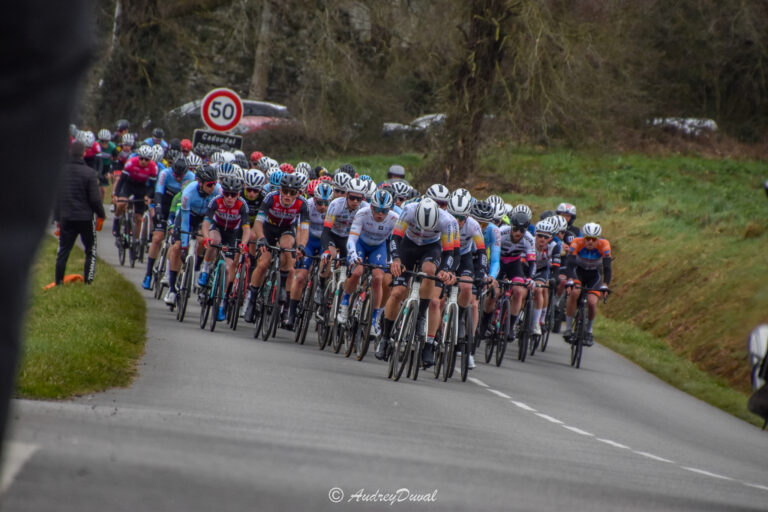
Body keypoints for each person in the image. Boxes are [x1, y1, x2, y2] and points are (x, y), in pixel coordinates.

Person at [53, 140, 106, 284]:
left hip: (67, 217)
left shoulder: (61, 171)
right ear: (83, 153)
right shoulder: (89, 173)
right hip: (85, 218)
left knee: (63, 251)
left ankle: (58, 282)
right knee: (90, 250)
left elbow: (57, 197)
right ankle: (88, 280)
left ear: (70, 152)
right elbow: (95, 199)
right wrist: (101, 214)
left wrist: (57, 218)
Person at [562, 222, 612, 346]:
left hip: (594, 274)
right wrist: (570, 280)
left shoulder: (604, 245)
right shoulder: (576, 242)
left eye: (593, 239)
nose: (590, 242)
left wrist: (605, 284)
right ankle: (568, 329)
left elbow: (607, 267)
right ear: (583, 237)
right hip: (578, 272)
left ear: (598, 239)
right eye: (587, 238)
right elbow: (570, 264)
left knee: (592, 302)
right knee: (574, 293)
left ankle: (589, 330)